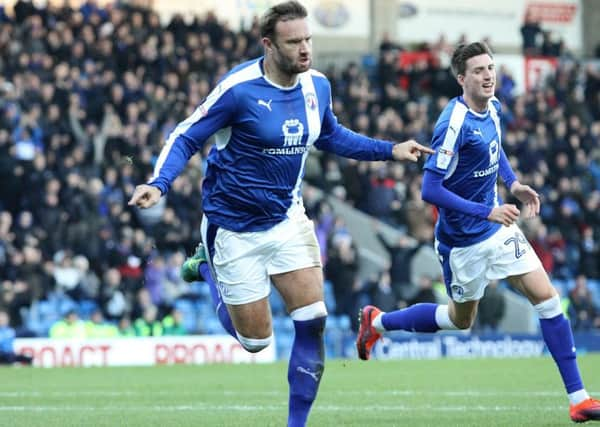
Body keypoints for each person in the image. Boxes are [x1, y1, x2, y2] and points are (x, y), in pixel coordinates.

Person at [128, 2, 432, 426]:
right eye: (295, 42)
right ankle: (209, 270)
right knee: (257, 343)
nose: (305, 49)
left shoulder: (317, 86)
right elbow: (185, 134)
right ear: (269, 45)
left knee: (313, 321)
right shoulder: (238, 89)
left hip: (287, 219)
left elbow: (330, 135)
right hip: (232, 228)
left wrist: (390, 150)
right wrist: (158, 183)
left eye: (308, 39)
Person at [355, 42, 600, 423]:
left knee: (548, 299)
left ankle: (579, 398)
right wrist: (487, 211)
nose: (488, 75)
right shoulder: (452, 124)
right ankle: (377, 322)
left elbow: (495, 150)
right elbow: (430, 190)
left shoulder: (494, 108)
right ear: (461, 78)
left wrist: (514, 183)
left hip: (498, 230)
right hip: (463, 243)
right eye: (479, 70)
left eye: (490, 67)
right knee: (459, 320)